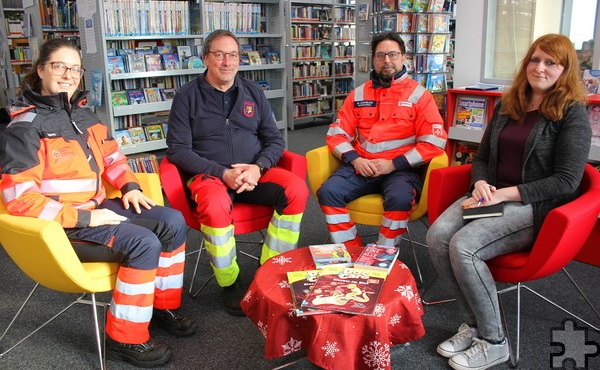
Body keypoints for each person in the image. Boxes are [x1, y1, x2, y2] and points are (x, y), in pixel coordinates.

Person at [0, 39, 196, 368]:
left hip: (98, 206)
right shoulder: (24, 128)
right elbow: (20, 200)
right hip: (61, 226)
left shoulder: (83, 113)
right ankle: (124, 338)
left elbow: (113, 157)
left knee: (173, 221)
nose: (68, 75)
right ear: (41, 70)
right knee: (143, 242)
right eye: (58, 66)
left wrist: (130, 186)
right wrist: (85, 219)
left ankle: (161, 305)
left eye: (74, 68)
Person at [426, 33, 592, 370]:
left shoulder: (572, 113)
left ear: (565, 69)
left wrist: (507, 193)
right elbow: (483, 156)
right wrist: (481, 182)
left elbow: (567, 181)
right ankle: (474, 326)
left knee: (464, 246)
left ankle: (494, 341)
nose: (540, 68)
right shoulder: (509, 102)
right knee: (437, 235)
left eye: (550, 62)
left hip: (535, 206)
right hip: (492, 194)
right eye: (535, 59)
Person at [166, 29, 309, 316]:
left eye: (233, 55)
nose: (227, 61)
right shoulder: (186, 97)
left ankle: (270, 268)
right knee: (215, 205)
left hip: (253, 171)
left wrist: (259, 167)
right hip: (209, 175)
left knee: (296, 190)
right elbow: (177, 150)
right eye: (219, 54)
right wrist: (221, 172)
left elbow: (275, 140)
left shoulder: (254, 92)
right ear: (206, 58)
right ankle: (228, 281)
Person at [316, 31, 447, 248]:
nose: (387, 61)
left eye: (393, 55)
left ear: (404, 57)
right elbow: (336, 134)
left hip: (400, 169)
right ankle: (351, 250)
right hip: (362, 165)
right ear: (374, 59)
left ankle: (383, 255)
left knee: (400, 199)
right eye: (381, 55)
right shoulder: (358, 94)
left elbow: (434, 142)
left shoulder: (420, 96)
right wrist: (355, 159)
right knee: (328, 192)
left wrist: (393, 164)